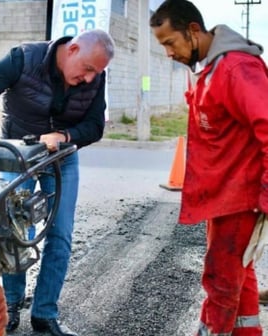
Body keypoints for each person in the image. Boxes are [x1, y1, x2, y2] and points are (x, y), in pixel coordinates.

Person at [0, 29, 115, 336]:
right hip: (17, 156)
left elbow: (95, 126)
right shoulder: (22, 59)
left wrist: (65, 136)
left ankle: (45, 315)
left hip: (62, 159)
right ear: (72, 50)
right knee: (13, 230)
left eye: (96, 74)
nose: (89, 79)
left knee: (60, 235)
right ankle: (12, 304)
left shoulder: (94, 77)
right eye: (87, 70)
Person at [150, 0, 268, 335]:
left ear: (193, 31)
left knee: (221, 278)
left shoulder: (236, 68)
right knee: (239, 274)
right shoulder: (214, 69)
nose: (168, 53)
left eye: (170, 43)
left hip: (240, 197)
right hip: (225, 195)